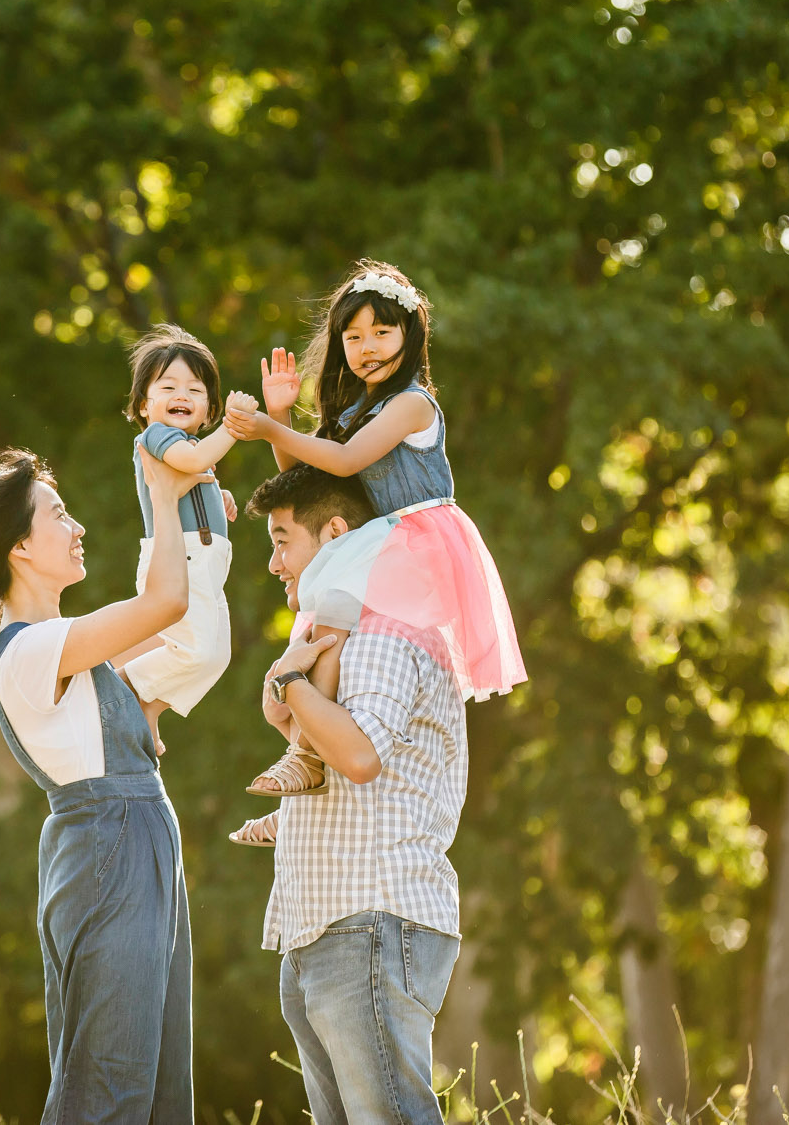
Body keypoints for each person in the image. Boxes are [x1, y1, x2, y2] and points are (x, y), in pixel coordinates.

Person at [0, 446, 209, 1125]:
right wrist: (164, 492)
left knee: (154, 1090)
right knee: (108, 1087)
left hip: (132, 847)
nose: (79, 525)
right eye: (60, 514)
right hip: (109, 854)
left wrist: (199, 513)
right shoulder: (32, 649)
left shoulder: (65, 641)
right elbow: (166, 599)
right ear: (22, 546)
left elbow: (186, 629)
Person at [224, 259, 526, 803]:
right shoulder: (356, 409)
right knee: (319, 615)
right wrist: (282, 419)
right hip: (382, 537)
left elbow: (343, 463)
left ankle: (309, 756)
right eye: (354, 336)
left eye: (382, 332)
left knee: (331, 606)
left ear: (410, 334)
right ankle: (308, 755)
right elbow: (303, 481)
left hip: (419, 535)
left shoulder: (412, 404)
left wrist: (268, 427)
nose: (368, 347)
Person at [237, 463, 470, 1125]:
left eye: (283, 539)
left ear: (334, 532)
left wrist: (290, 685)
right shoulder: (336, 632)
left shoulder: (385, 628)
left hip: (371, 918)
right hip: (325, 924)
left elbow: (360, 754)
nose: (276, 561)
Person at [116, 325, 248, 756]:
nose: (182, 395)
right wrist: (233, 427)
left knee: (217, 654)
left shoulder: (185, 443)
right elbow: (193, 461)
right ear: (143, 404)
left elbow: (194, 470)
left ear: (207, 407)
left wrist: (217, 494)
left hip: (206, 565)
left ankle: (148, 708)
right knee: (193, 651)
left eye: (195, 388)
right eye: (169, 386)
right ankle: (127, 682)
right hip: (180, 559)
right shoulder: (156, 437)